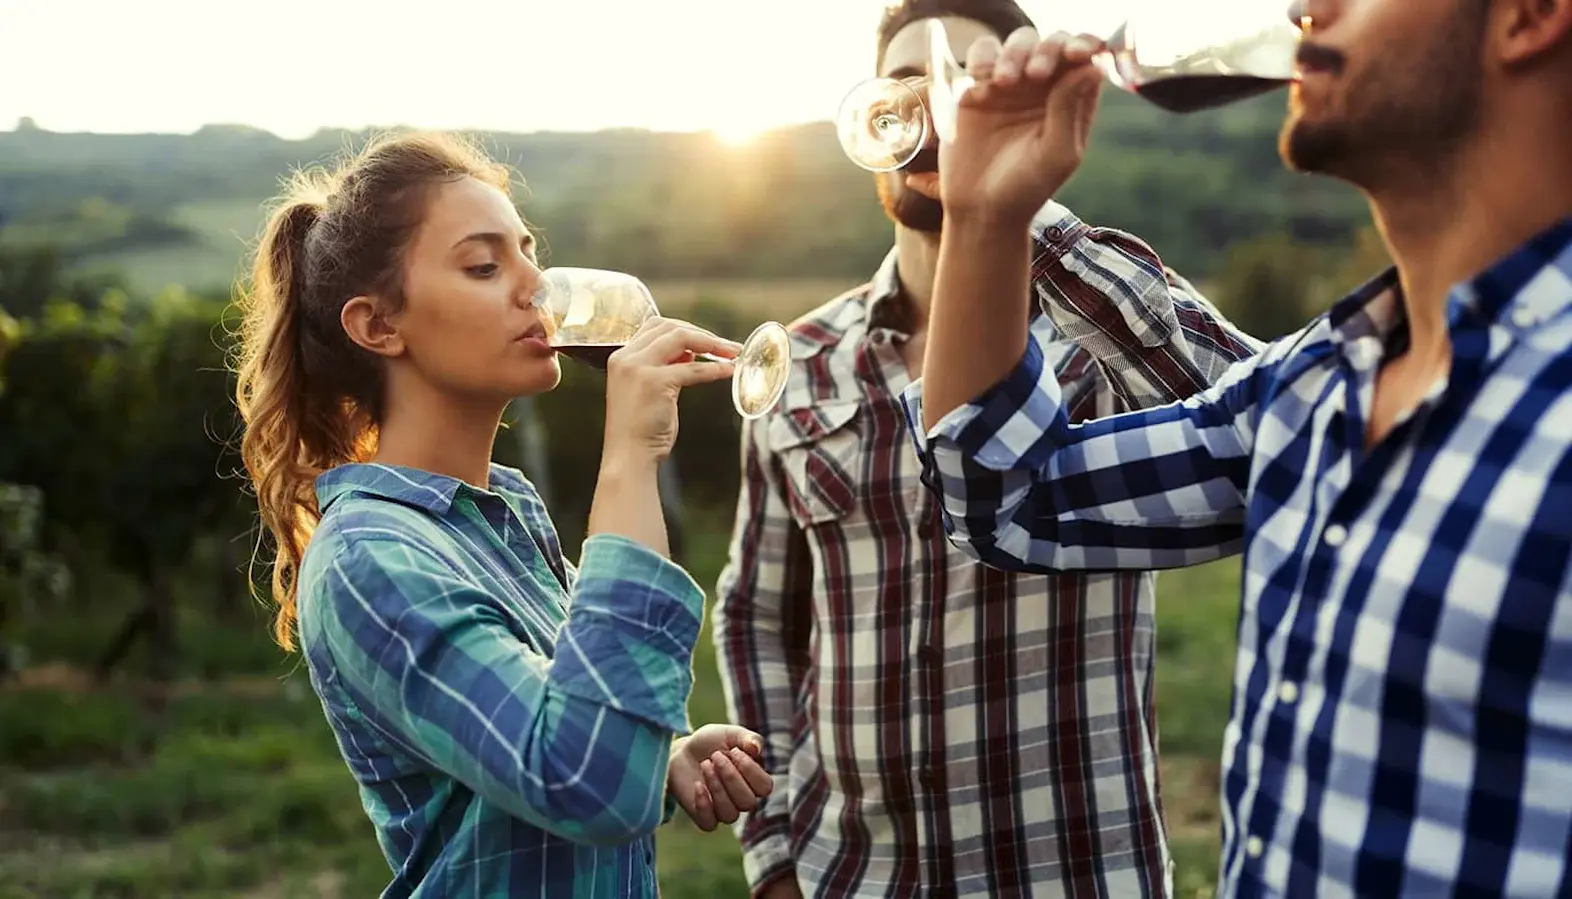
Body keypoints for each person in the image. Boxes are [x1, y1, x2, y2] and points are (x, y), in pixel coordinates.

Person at [903, 0, 1572, 895]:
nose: (1305, 8)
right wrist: (990, 220)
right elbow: (1007, 501)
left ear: (1527, 17)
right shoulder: (1314, 384)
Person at [710, 2, 1264, 897]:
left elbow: (1279, 440)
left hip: (1073, 871)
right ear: (876, 115)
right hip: (851, 874)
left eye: (970, 79)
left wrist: (1013, 207)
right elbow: (756, 614)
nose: (940, 106)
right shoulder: (800, 360)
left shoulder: (1096, 320)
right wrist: (775, 852)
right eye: (910, 85)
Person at [231, 130, 774, 898]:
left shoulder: (505, 514)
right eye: (484, 265)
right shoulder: (369, 559)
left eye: (528, 254)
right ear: (378, 325)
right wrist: (627, 460)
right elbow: (589, 782)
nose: (536, 289)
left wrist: (668, 758)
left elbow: (583, 724)